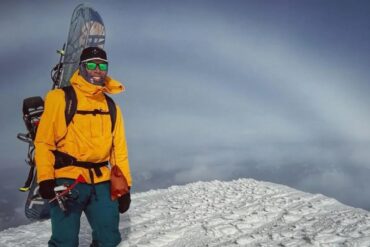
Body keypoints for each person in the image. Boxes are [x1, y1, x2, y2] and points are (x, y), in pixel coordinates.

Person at [34, 47, 132, 247]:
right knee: (65, 241)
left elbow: (118, 151)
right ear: (82, 67)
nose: (98, 69)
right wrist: (45, 178)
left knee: (109, 239)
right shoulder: (59, 98)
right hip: (68, 180)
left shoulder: (112, 106)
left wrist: (124, 188)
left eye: (102, 65)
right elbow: (44, 141)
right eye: (92, 65)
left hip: (101, 180)